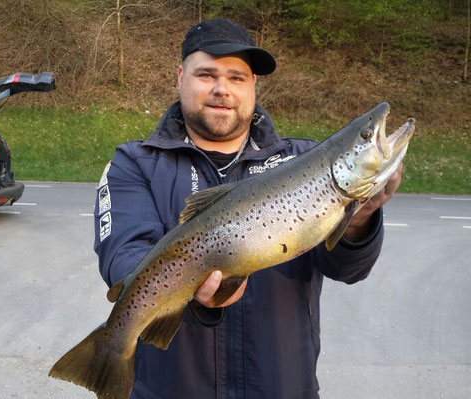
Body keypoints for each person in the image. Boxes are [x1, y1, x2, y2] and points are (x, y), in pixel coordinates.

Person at [94, 17, 402, 399]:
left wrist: (363, 215)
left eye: (237, 77)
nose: (222, 89)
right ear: (180, 77)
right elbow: (123, 255)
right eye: (206, 75)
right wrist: (192, 291)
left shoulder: (301, 160)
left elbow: (348, 269)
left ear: (253, 85)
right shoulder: (135, 162)